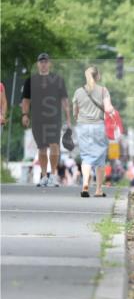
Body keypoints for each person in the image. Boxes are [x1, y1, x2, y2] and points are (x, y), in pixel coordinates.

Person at [21, 53, 70, 187]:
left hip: (54, 119)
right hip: (37, 119)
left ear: (49, 64)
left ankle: (53, 176)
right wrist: (25, 115)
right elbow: (26, 100)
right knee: (42, 148)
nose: (43, 64)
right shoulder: (30, 80)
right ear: (38, 64)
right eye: (41, 62)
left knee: (54, 145)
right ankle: (43, 176)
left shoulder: (58, 80)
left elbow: (64, 100)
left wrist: (68, 119)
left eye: (45, 62)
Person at [72, 66, 113, 197]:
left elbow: (75, 112)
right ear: (98, 76)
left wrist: (79, 117)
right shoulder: (103, 90)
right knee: (100, 159)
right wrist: (112, 111)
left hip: (83, 126)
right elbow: (108, 108)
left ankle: (85, 185)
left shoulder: (78, 91)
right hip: (98, 127)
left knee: (86, 157)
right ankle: (98, 190)